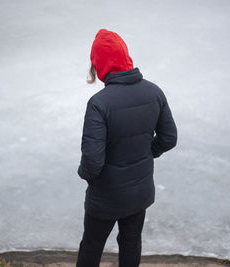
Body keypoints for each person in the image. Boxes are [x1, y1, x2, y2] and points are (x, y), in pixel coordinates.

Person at [76, 29, 178, 267]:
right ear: (126, 58)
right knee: (131, 241)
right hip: (139, 190)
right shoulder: (154, 92)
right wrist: (145, 154)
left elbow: (92, 163)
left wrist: (85, 175)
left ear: (99, 64)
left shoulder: (99, 104)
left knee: (92, 245)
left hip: (106, 195)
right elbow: (169, 138)